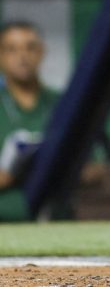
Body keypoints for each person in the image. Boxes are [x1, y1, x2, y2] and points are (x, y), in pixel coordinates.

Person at [0, 20, 57, 220]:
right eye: (11, 49)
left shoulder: (63, 103)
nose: (22, 57)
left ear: (41, 52)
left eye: (30, 48)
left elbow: (98, 166)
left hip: (60, 222)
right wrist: (8, 175)